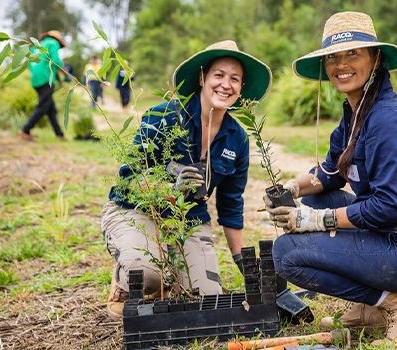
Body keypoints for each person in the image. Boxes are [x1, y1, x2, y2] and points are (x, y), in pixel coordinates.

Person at [264, 12, 397, 349]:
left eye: (353, 53)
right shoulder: (354, 114)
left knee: (286, 253)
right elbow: (328, 175)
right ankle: (371, 307)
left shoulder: (386, 119)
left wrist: (314, 221)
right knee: (316, 197)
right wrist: (292, 189)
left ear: (376, 60)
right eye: (332, 57)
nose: (341, 64)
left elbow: (389, 208)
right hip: (392, 237)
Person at [101, 40, 272, 320]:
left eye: (235, 79)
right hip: (137, 211)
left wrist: (245, 264)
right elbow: (128, 181)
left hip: (189, 219)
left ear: (241, 88)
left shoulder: (238, 139)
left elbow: (230, 205)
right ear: (203, 77)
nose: (226, 85)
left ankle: (170, 275)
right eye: (219, 75)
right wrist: (171, 190)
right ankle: (130, 279)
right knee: (146, 275)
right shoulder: (164, 117)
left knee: (209, 299)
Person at [19, 30, 67, 141]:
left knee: (50, 108)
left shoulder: (36, 47)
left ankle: (59, 135)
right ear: (57, 39)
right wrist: (64, 69)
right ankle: (25, 131)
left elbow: (30, 64)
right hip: (47, 79)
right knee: (43, 107)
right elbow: (55, 60)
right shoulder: (53, 43)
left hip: (35, 80)